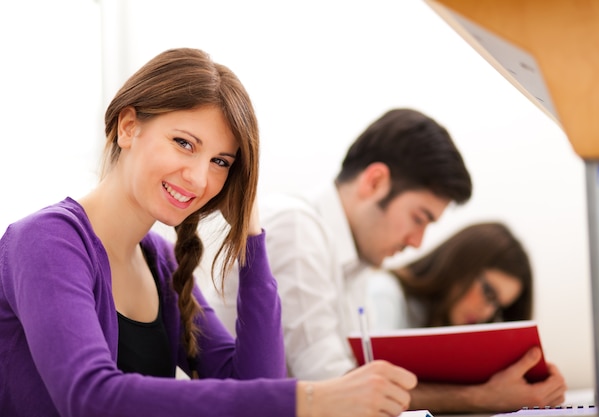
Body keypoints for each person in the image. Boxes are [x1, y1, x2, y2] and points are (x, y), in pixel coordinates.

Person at [0, 48, 417, 417]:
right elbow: (91, 397)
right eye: (184, 143)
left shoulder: (160, 260)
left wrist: (250, 235)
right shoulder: (47, 241)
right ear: (128, 127)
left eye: (221, 162)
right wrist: (309, 400)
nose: (200, 178)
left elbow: (253, 386)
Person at [203, 108, 567, 414]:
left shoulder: (357, 265)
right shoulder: (298, 228)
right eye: (419, 218)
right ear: (374, 182)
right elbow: (338, 389)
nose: (417, 242)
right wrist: (480, 399)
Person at [368, 221, 534, 330]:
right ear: (463, 263)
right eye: (489, 293)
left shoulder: (439, 325)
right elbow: (376, 381)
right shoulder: (385, 293)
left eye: (498, 307)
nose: (487, 313)